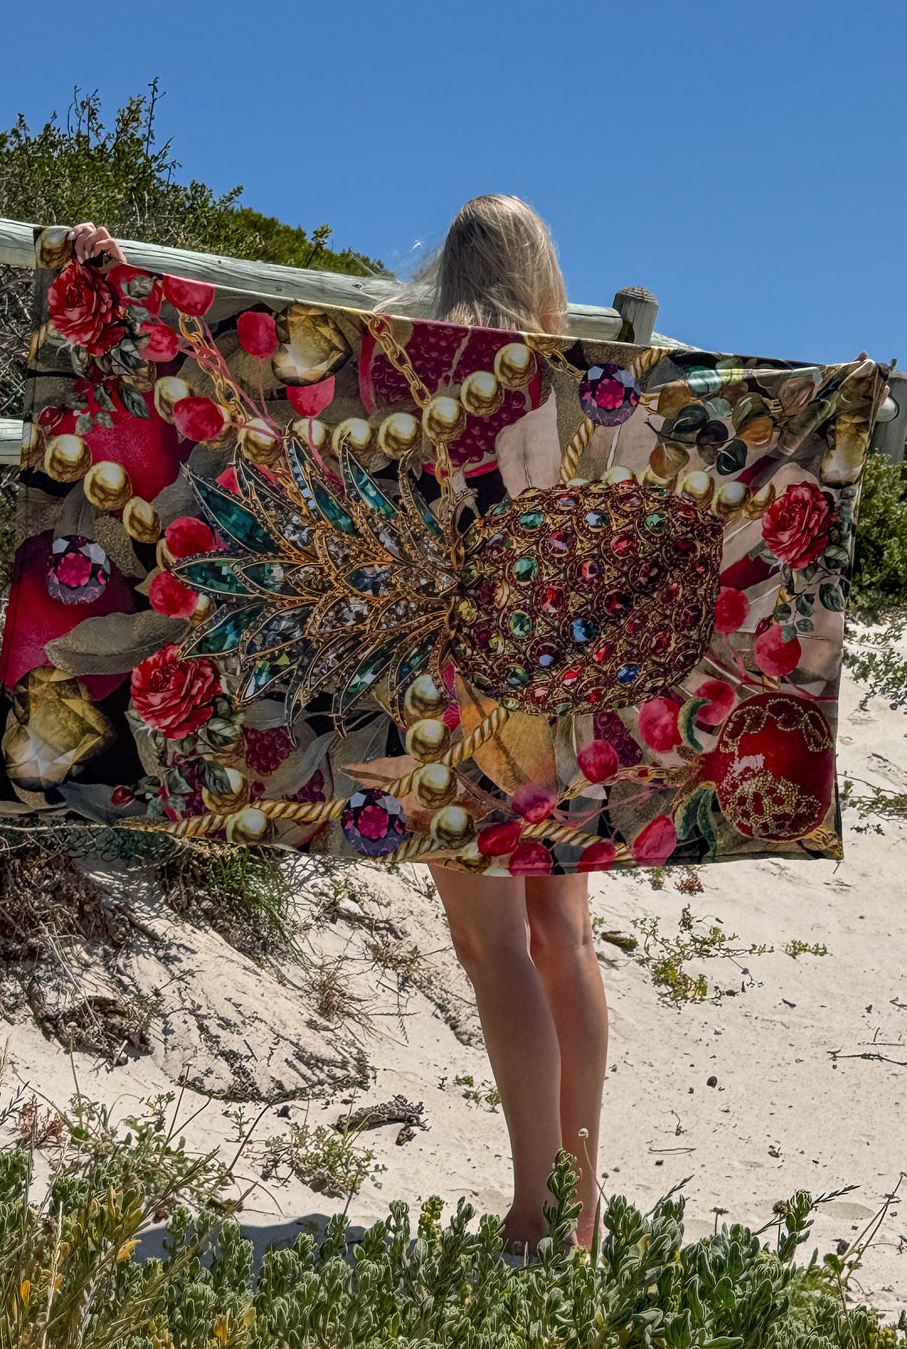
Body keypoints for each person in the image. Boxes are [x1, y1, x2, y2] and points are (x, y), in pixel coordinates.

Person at [68, 198, 609, 1254]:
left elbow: (239, 395)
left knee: (491, 943)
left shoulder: (384, 368)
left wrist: (113, 280)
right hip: (556, 675)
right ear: (543, 272)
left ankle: (533, 1213)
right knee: (565, 938)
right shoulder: (579, 378)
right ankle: (580, 1209)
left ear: (443, 266)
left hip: (444, 686)